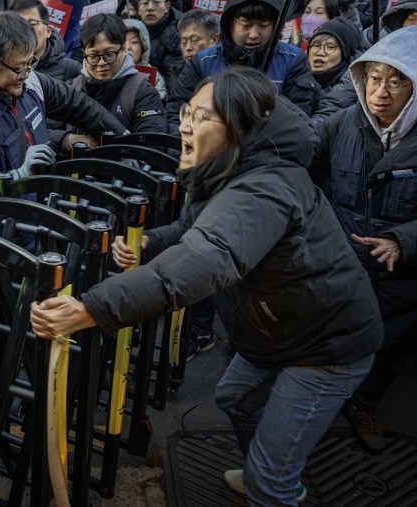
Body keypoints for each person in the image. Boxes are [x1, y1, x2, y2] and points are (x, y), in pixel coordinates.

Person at [31, 66, 382, 505]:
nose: (184, 125)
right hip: (280, 330)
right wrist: (149, 246)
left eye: (202, 117)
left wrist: (93, 308)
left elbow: (207, 255)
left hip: (328, 345)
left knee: (268, 484)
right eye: (186, 113)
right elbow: (191, 230)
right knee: (235, 397)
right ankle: (274, 467)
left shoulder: (265, 187)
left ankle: (274, 479)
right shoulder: (226, 169)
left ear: (241, 129)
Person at [310, 26, 417, 454]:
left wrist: (403, 240)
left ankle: (365, 404)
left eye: (397, 81)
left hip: (401, 274)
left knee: (390, 345)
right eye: (374, 78)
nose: (382, 92)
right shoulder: (342, 123)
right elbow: (302, 156)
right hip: (342, 262)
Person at [0, 11, 126, 201]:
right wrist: (18, 176)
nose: (27, 74)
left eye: (30, 63)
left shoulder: (29, 80)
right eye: (19, 68)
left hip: (43, 208)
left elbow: (78, 105)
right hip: (4, 225)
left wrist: (124, 140)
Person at [166, 0, 317, 130]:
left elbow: (299, 120)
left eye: (263, 26)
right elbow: (176, 115)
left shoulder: (294, 60)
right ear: (229, 24)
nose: (253, 34)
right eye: (245, 25)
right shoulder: (202, 62)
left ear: (276, 26)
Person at [64, 14, 166, 135]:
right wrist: (65, 141)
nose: (101, 63)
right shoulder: (70, 90)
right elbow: (46, 133)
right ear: (84, 53)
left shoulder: (144, 93)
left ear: (123, 49)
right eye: (93, 56)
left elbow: (151, 146)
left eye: (109, 54)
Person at [13, 0, 82, 82]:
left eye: (33, 24)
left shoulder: (72, 69)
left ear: (48, 31)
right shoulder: (5, 67)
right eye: (20, 25)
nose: (27, 30)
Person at [308, 16, 360, 95]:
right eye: (316, 46)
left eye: (330, 47)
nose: (320, 52)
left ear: (345, 54)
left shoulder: (352, 89)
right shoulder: (295, 77)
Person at [139, 0, 184, 92]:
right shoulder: (131, 29)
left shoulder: (179, 32)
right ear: (139, 9)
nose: (150, 8)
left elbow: (174, 79)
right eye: (145, 3)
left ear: (167, 7)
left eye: (156, 2)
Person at [124, 18, 167, 101]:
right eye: (123, 42)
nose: (128, 47)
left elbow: (160, 101)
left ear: (143, 47)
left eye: (134, 42)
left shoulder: (154, 76)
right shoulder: (108, 71)